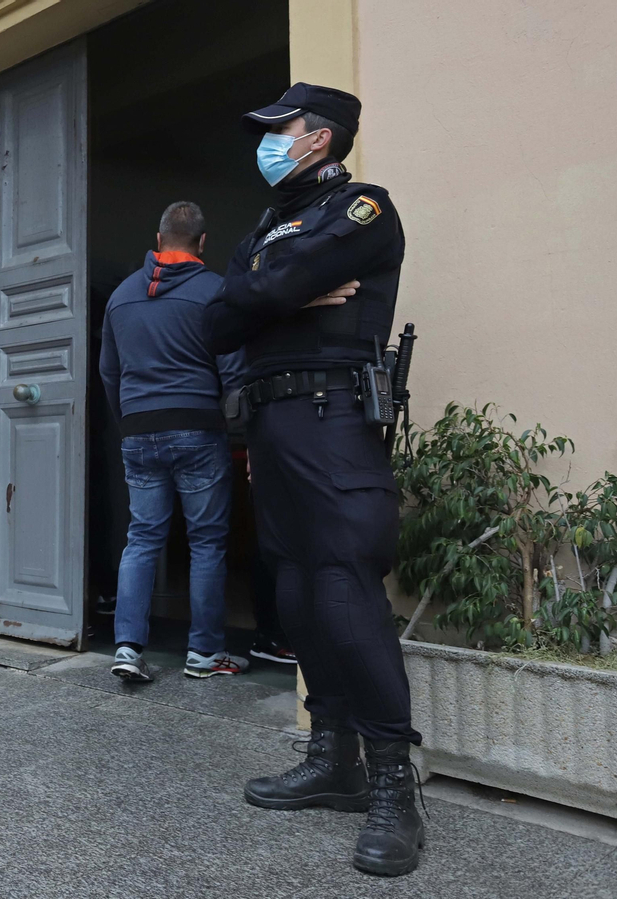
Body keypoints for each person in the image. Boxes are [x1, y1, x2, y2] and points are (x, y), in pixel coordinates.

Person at [203, 83, 422, 876]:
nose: (267, 142)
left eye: (280, 129)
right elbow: (218, 318)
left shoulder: (362, 210)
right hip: (270, 421)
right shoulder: (268, 225)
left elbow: (251, 297)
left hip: (334, 419)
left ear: (320, 137)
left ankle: (396, 783)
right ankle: (334, 760)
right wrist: (276, 297)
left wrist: (264, 298)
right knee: (292, 588)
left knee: (342, 584)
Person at [99, 202, 248, 683]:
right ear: (202, 242)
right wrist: (239, 430)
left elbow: (109, 373)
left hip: (140, 429)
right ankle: (204, 654)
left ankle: (126, 648)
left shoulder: (121, 296)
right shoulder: (215, 291)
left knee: (141, 538)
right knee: (206, 542)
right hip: (198, 429)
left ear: (158, 237)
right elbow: (233, 373)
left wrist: (128, 420)